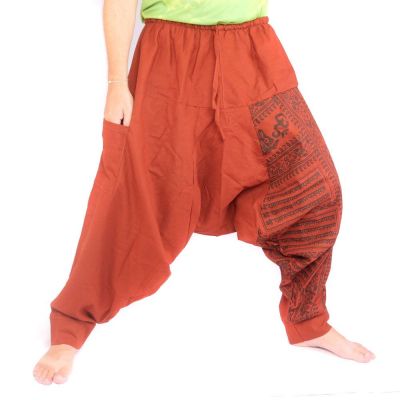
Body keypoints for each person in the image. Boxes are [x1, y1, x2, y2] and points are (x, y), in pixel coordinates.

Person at [33, 0, 376, 386]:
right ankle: (72, 324)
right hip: (170, 60)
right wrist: (116, 83)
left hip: (252, 52)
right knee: (131, 199)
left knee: (314, 189)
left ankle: (308, 319)